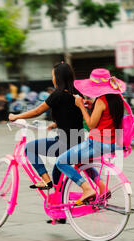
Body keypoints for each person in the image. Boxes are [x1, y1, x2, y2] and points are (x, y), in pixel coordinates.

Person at [8, 62, 84, 197]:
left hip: (64, 143)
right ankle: (60, 214)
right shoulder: (77, 93)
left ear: (58, 78)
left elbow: (37, 111)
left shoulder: (57, 94)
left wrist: (16, 116)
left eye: (53, 76)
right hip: (78, 141)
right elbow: (71, 114)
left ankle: (45, 180)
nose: (52, 79)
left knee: (29, 148)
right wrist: (56, 124)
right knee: (58, 177)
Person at [55, 68, 125, 206]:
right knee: (83, 162)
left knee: (61, 162)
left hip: (97, 143)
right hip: (111, 143)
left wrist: (81, 106)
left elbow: (91, 125)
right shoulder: (116, 99)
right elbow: (106, 116)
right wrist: (92, 106)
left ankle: (86, 189)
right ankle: (103, 188)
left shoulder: (102, 101)